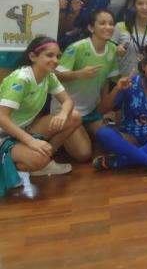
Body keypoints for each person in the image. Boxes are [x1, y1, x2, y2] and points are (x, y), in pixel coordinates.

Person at [0, 37, 84, 193]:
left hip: (23, 130)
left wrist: (63, 114)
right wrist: (31, 142)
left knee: (74, 117)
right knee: (38, 158)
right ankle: (14, 165)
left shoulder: (48, 75)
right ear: (33, 57)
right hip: (3, 135)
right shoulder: (21, 79)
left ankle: (44, 162)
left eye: (58, 56)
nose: (56, 60)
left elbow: (67, 101)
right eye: (49, 55)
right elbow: (2, 117)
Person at [93, 46, 147, 178]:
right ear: (144, 66)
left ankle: (115, 162)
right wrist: (117, 88)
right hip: (127, 137)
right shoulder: (129, 83)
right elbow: (102, 110)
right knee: (103, 132)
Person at [52, 8, 119, 157]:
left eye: (111, 23)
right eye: (102, 23)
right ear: (91, 27)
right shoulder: (77, 48)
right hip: (68, 111)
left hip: (91, 111)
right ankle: (60, 135)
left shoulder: (113, 48)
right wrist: (79, 74)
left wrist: (103, 109)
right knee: (84, 155)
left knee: (113, 144)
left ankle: (83, 131)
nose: (108, 27)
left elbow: (107, 81)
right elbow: (55, 76)